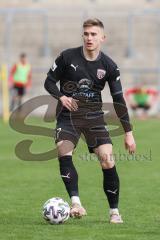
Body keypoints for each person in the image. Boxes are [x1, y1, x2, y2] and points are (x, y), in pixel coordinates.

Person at [44, 18, 136, 223]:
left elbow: (119, 100)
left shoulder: (109, 66)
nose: (89, 38)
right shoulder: (67, 57)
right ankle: (76, 203)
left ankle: (114, 212)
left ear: (102, 38)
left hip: (94, 117)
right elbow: (49, 81)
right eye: (86, 34)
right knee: (63, 149)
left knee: (107, 158)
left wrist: (128, 133)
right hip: (68, 117)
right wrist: (61, 96)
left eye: (93, 34)